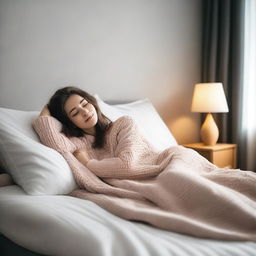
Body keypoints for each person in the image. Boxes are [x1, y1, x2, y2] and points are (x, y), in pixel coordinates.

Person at [33, 86, 256, 242]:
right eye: (74, 112)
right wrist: (48, 110)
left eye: (84, 103)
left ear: (92, 102)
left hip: (168, 162)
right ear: (69, 121)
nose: (84, 111)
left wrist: (89, 163)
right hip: (147, 180)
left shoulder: (123, 124)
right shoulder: (77, 143)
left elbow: (128, 165)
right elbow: (51, 138)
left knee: (205, 181)